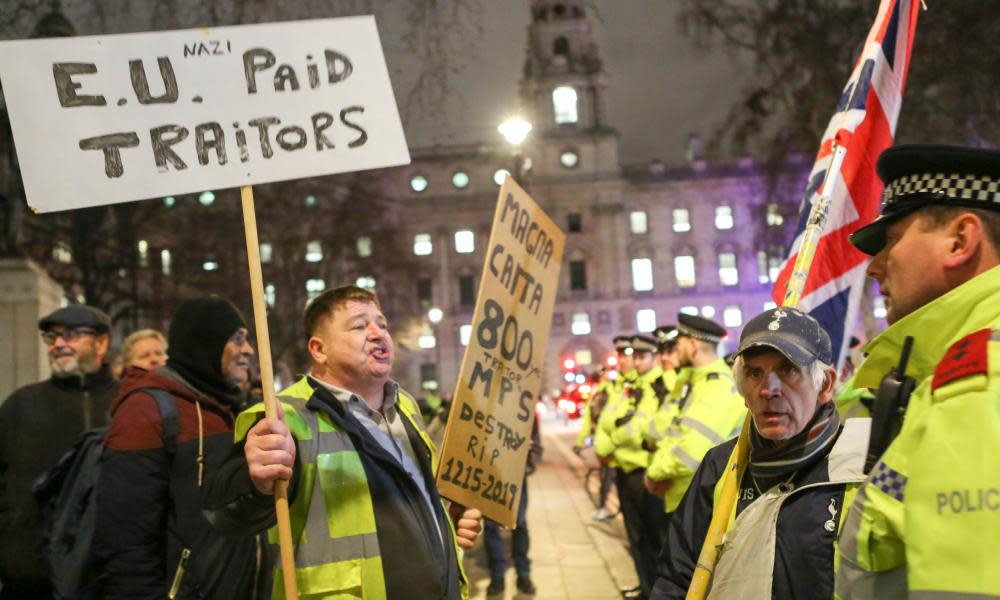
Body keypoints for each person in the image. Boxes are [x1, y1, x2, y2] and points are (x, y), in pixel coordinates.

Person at [202, 285, 482, 599]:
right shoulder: (282, 419)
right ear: (319, 350)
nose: (378, 333)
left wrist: (444, 520)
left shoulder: (404, 406)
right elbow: (226, 512)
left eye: (382, 324)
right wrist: (255, 483)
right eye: (360, 326)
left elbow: (407, 503)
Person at [835, 145, 1000, 598]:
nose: (874, 267)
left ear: (959, 241)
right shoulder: (948, 371)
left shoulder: (979, 380)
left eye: (892, 239)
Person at [651, 307, 867, 599]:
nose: (768, 390)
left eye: (788, 369)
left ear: (825, 384)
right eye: (755, 373)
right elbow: (676, 578)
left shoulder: (860, 467)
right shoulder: (721, 465)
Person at [93, 297, 267, 599]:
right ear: (206, 342)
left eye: (248, 339)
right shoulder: (145, 410)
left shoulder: (231, 408)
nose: (249, 350)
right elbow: (126, 541)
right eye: (237, 339)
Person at [0, 304, 116, 598]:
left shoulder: (126, 403)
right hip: (31, 576)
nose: (59, 345)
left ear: (101, 342)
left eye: (72, 335)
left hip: (106, 575)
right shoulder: (21, 405)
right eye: (52, 337)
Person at [644, 314, 745, 517]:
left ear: (692, 345)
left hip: (702, 504)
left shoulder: (717, 387)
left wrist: (654, 474)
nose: (675, 350)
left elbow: (690, 453)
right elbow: (671, 434)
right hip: (687, 498)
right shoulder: (695, 382)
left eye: (678, 343)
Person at [596, 334, 665, 599]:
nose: (633, 361)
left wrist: (611, 441)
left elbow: (640, 428)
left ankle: (659, 591)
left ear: (652, 357)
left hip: (645, 471)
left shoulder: (656, 384)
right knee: (636, 538)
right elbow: (606, 419)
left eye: (639, 356)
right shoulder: (627, 385)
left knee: (656, 539)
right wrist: (604, 449)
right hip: (624, 470)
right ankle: (646, 588)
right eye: (630, 356)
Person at [484, 413, 541, 596]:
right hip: (488, 469)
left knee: (520, 523)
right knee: (491, 525)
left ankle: (523, 574)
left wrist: (533, 456)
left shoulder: (523, 395)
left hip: (516, 469)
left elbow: (534, 429)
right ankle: (497, 575)